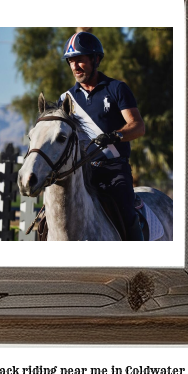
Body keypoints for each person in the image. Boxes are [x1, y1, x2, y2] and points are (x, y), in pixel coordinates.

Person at [59, 31, 145, 241]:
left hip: (114, 169)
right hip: (81, 172)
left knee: (126, 213)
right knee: (51, 211)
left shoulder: (117, 88)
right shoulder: (66, 99)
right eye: (71, 61)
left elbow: (138, 126)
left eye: (80, 61)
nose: (75, 67)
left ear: (96, 59)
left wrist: (115, 136)